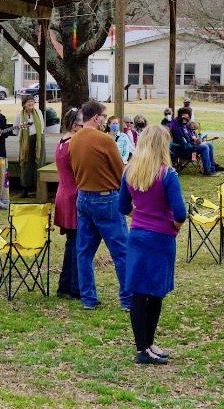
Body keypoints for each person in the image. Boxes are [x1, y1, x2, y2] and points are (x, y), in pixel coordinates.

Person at [119, 125, 187, 365]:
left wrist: (139, 214)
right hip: (161, 238)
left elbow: (122, 207)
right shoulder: (167, 175)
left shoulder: (130, 172)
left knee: (139, 291)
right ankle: (144, 347)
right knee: (156, 292)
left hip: (137, 235)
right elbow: (180, 212)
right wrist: (174, 226)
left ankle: (145, 344)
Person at [68, 99, 130, 311]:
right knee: (121, 251)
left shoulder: (73, 140)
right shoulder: (105, 140)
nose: (105, 121)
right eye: (103, 117)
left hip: (83, 197)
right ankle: (128, 299)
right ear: (96, 117)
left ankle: (88, 298)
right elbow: (120, 172)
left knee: (84, 252)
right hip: (106, 199)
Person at [55, 107, 83, 299]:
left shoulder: (62, 141)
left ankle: (65, 285)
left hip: (64, 193)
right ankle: (74, 288)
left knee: (72, 242)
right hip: (73, 195)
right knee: (77, 243)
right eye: (82, 123)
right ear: (74, 125)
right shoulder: (73, 143)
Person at [169, 106, 222, 175]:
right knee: (204, 147)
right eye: (183, 117)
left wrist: (195, 140)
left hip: (192, 148)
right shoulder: (176, 126)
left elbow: (192, 135)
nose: (185, 119)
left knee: (209, 145)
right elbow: (182, 141)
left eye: (187, 118)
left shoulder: (187, 126)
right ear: (180, 116)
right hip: (184, 150)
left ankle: (213, 169)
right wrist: (192, 142)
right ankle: (207, 171)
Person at [15, 94, 45, 198]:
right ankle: (25, 189)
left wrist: (38, 138)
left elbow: (42, 126)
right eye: (28, 102)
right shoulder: (20, 115)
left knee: (39, 163)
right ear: (24, 104)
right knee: (26, 164)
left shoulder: (39, 112)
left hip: (38, 140)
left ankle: (39, 188)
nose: (31, 103)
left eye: (32, 101)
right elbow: (15, 130)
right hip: (26, 141)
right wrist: (21, 129)